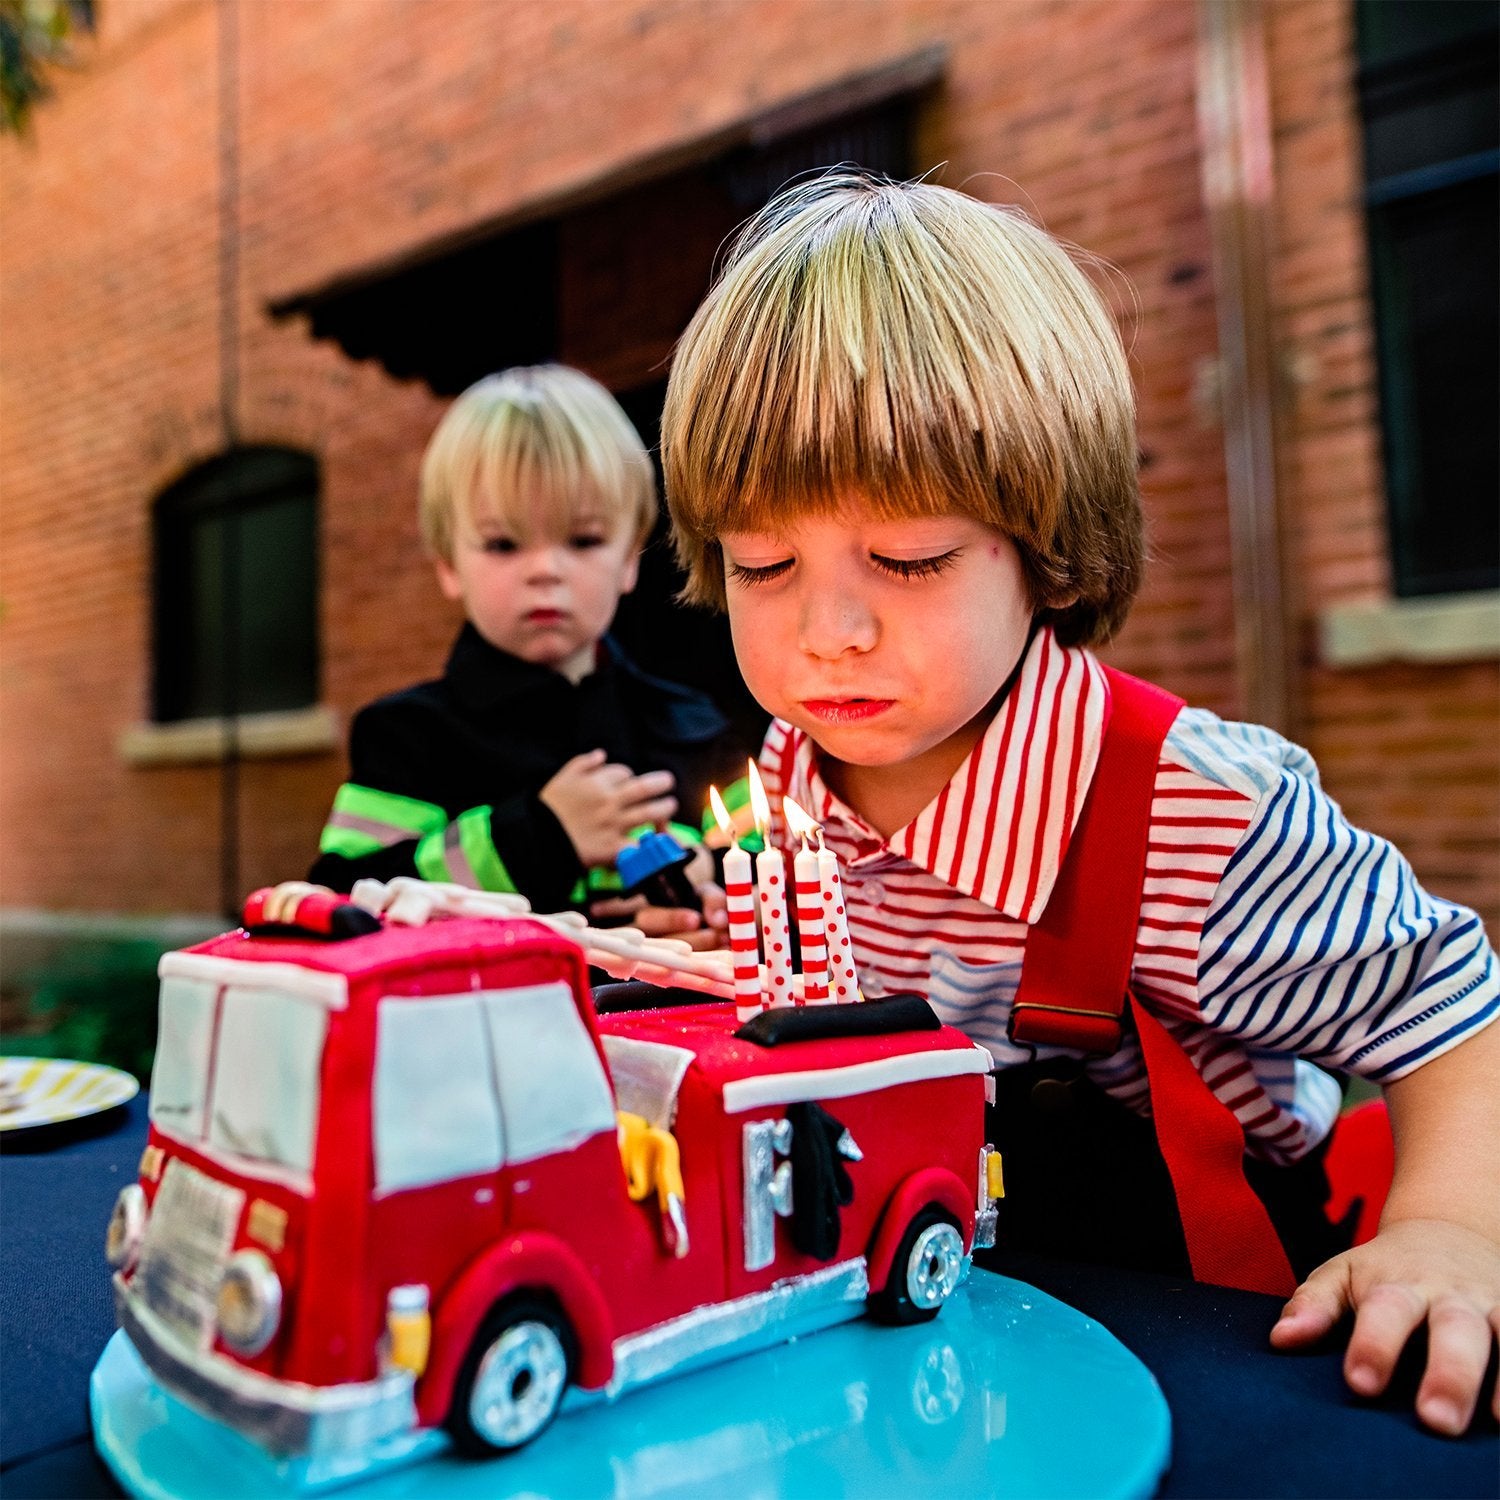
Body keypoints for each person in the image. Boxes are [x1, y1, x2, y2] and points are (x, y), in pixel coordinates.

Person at [660, 170, 1499, 1435]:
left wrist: (1450, 1232)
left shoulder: (1191, 812)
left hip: (1194, 1331)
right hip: (916, 1348)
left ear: (1051, 545)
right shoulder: (783, 782)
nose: (826, 633)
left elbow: (1458, 1019)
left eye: (909, 559)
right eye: (761, 564)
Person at [311, 363, 740, 939]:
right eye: (503, 543)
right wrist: (544, 835)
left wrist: (710, 885)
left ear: (631, 558)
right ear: (448, 564)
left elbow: (776, 866)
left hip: (678, 1024)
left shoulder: (696, 724)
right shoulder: (408, 739)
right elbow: (344, 898)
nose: (544, 570)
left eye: (583, 539)